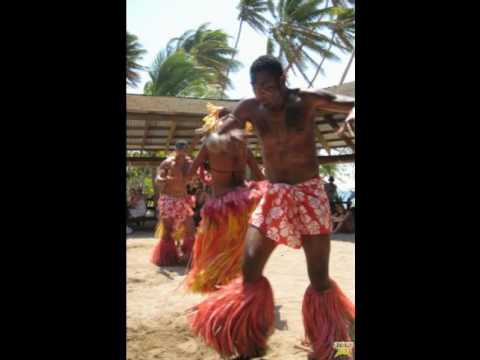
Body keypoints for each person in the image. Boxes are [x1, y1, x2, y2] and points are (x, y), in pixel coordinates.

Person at [189, 55, 355, 360]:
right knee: (250, 268)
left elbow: (343, 101)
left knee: (319, 280)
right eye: (256, 87)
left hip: (309, 195)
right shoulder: (250, 108)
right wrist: (219, 136)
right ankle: (250, 343)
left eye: (267, 85)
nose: (261, 92)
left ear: (282, 79)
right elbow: (223, 130)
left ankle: (339, 346)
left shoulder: (305, 100)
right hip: (275, 196)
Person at [185, 104, 265, 293]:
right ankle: (238, 286)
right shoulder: (244, 146)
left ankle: (220, 287)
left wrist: (206, 172)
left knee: (217, 249)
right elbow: (260, 177)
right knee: (239, 249)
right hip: (245, 203)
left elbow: (189, 174)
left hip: (220, 205)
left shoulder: (210, 144)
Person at [150, 140, 195, 267]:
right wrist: (162, 179)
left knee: (190, 228)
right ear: (176, 149)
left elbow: (193, 179)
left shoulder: (189, 163)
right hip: (168, 199)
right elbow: (158, 178)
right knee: (168, 230)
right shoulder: (167, 163)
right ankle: (168, 258)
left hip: (183, 200)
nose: (183, 150)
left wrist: (193, 179)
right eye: (180, 148)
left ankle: (187, 257)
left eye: (185, 148)